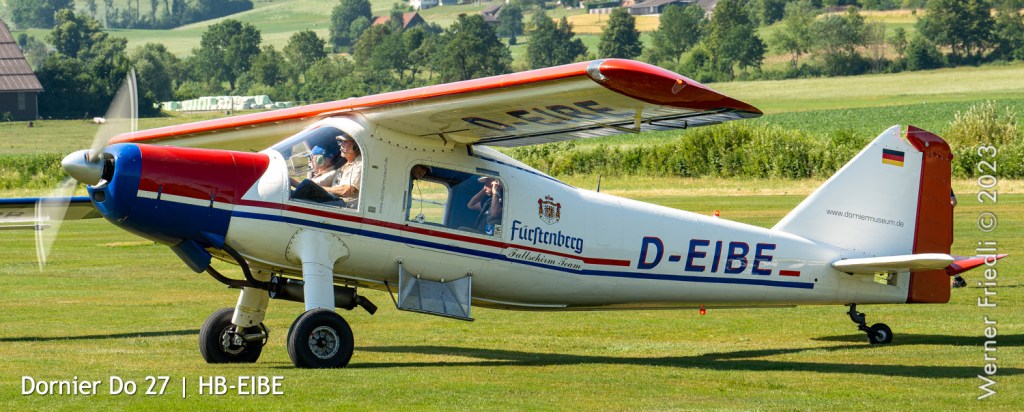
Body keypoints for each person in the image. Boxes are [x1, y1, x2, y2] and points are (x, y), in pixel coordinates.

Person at [326, 135, 362, 209]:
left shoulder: (360, 164)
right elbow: (320, 181)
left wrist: (319, 189)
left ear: (356, 145)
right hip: (337, 203)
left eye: (345, 142)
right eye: (341, 142)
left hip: (346, 207)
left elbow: (346, 191)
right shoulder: (344, 166)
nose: (341, 145)